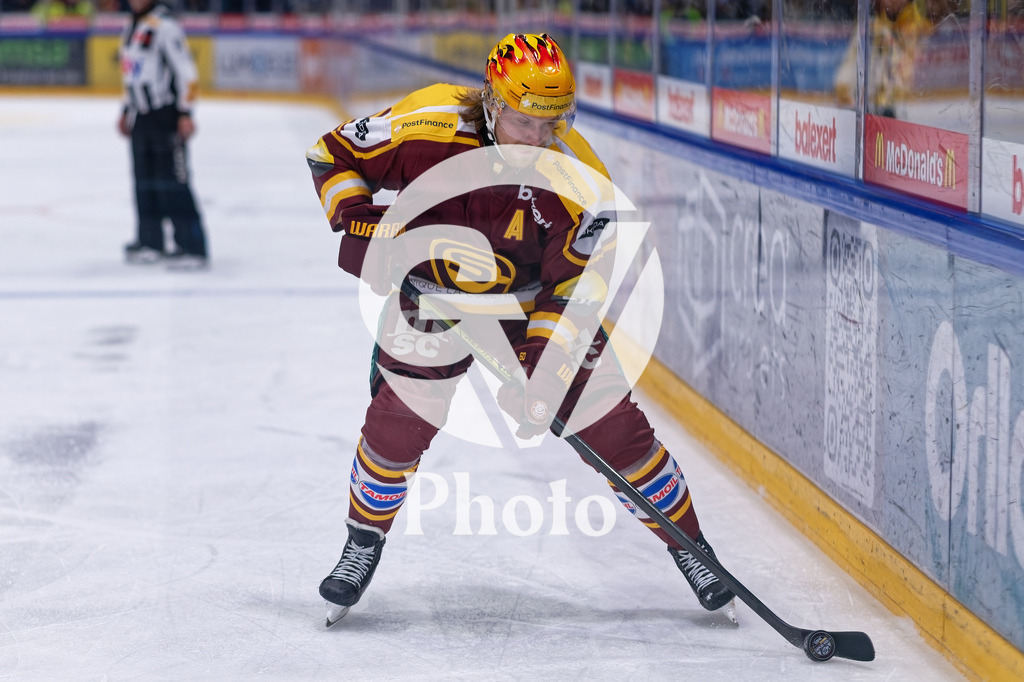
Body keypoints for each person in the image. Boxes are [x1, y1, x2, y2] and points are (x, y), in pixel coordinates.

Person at [305, 33, 735, 625]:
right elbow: (332, 155)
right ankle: (362, 542)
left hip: (534, 307)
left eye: (550, 124)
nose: (536, 139)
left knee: (610, 426)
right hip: (432, 294)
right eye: (521, 121)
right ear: (489, 102)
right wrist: (367, 230)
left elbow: (574, 291)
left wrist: (545, 373)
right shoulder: (426, 122)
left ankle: (693, 549)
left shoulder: (582, 179)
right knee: (398, 422)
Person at [118, 0, 208, 269]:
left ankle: (192, 246)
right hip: (141, 117)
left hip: (166, 116)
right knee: (144, 182)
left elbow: (187, 73)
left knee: (174, 182)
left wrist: (185, 113)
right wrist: (126, 110)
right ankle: (150, 241)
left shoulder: (166, 27)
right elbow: (132, 75)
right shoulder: (132, 26)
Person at [834, 0, 932, 117]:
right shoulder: (871, 25)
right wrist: (844, 87)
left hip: (901, 110)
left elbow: (910, 70)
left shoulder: (917, 28)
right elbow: (851, 60)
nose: (889, 2)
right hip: (871, 107)